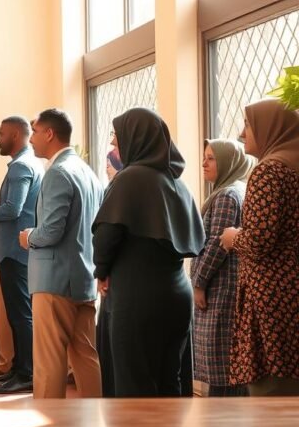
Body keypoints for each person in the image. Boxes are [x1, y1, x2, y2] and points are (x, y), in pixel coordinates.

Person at [92, 108, 204, 397]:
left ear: (136, 139)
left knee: (134, 385)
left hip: (136, 297)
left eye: (117, 140)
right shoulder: (177, 183)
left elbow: (107, 234)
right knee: (170, 382)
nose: (114, 147)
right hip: (177, 295)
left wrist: (101, 272)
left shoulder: (130, 178)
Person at [19, 108, 103, 399]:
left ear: (50, 134)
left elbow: (51, 231)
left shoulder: (57, 173)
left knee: (49, 361)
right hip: (84, 277)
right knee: (85, 355)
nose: (31, 140)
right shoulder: (88, 172)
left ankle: (48, 425)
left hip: (54, 282)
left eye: (35, 132)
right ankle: (96, 419)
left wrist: (29, 236)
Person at [221, 99, 299, 396]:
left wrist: (232, 238)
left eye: (248, 125)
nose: (242, 134)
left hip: (271, 295)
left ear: (269, 129)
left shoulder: (269, 171)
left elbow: (259, 241)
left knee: (271, 389)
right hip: (291, 289)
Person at [0, 117, 43, 395]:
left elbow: (13, 209)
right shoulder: (28, 163)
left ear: (16, 135)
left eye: (1, 133)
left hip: (15, 254)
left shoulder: (21, 165)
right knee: (19, 315)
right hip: (18, 251)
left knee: (21, 316)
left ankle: (26, 374)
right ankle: (20, 369)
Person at [192, 139, 253, 397]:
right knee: (227, 368)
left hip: (220, 291)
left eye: (211, 158)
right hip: (223, 288)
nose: (204, 163)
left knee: (223, 371)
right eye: (204, 157)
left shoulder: (228, 195)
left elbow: (218, 245)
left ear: (228, 162)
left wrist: (199, 283)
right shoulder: (231, 190)